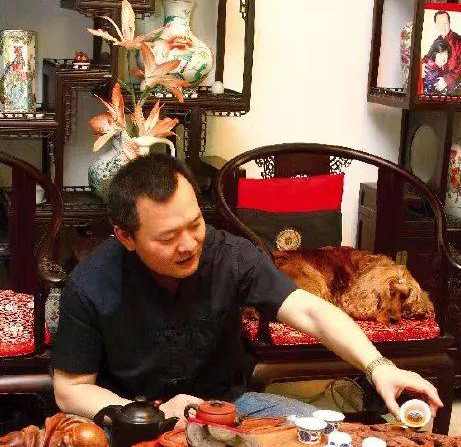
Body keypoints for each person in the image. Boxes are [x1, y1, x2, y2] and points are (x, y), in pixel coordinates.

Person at [51, 154, 442, 424]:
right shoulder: (90, 284)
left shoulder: (231, 257)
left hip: (230, 408)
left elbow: (310, 310)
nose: (188, 245)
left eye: (194, 224)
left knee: (324, 434)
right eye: (168, 237)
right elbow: (71, 390)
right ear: (126, 236)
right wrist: (151, 414)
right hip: (132, 414)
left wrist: (380, 368)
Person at [423, 10, 461, 94]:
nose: (442, 26)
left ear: (449, 23)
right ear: (436, 25)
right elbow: (429, 56)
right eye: (439, 23)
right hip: (438, 85)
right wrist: (422, 64)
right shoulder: (438, 40)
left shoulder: (458, 40)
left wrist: (447, 79)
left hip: (456, 88)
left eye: (445, 23)